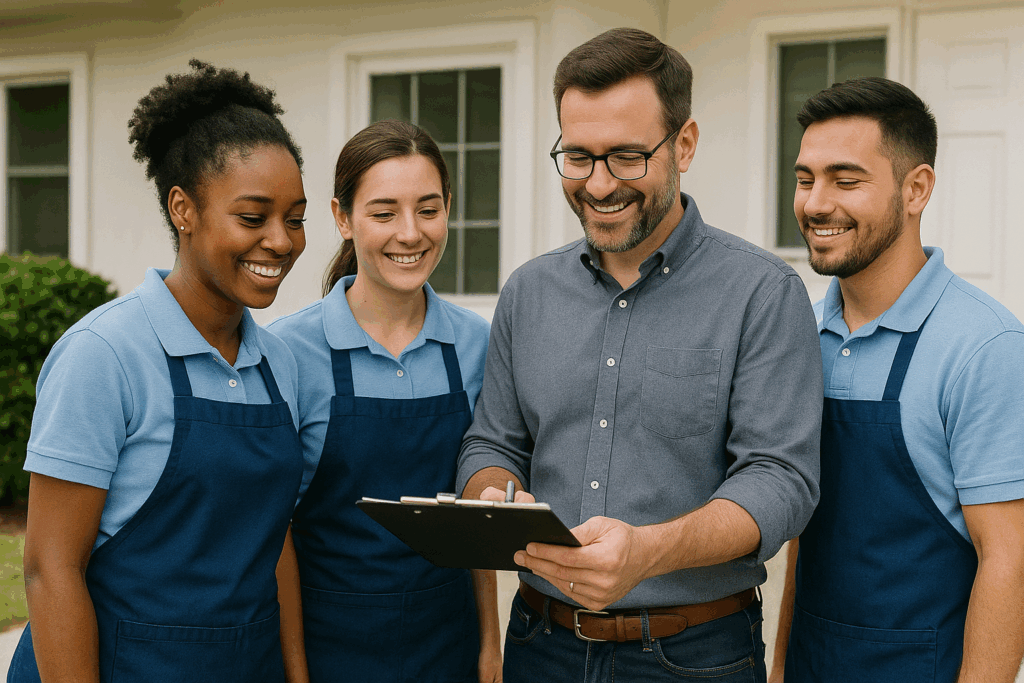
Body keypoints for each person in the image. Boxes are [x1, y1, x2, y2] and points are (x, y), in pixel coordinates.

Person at [456, 27, 823, 682]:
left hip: (695, 654)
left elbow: (781, 479)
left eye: (626, 157)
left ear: (684, 143)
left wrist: (649, 551)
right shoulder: (527, 292)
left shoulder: (763, 293)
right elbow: (492, 444)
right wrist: (497, 498)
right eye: (577, 156)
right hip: (540, 642)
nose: (598, 185)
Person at [8, 61, 307, 683]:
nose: (280, 241)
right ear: (183, 208)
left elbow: (270, 536)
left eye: (295, 217)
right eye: (253, 218)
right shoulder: (103, 354)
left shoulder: (280, 363)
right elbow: (49, 567)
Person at [770, 77, 1024, 683]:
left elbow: (1009, 560)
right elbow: (804, 534)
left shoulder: (984, 346)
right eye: (805, 179)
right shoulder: (800, 335)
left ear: (917, 189)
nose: (815, 203)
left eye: (846, 180)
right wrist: (779, 668)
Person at [268, 119, 501, 683]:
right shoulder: (287, 352)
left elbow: (476, 519)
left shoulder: (477, 343)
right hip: (330, 647)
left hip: (449, 641)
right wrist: (296, 673)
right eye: (383, 212)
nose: (410, 233)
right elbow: (277, 536)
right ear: (342, 218)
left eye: (428, 208)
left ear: (449, 207)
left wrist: (490, 640)